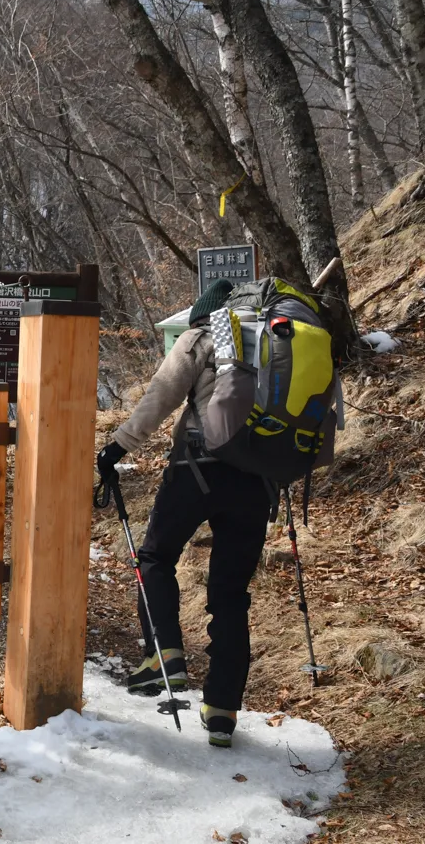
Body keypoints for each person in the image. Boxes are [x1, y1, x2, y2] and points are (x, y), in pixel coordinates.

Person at [95, 278, 270, 749]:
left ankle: (164, 652)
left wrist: (118, 447)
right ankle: (222, 713)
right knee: (231, 597)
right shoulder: (272, 343)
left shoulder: (201, 337)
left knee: (155, 557)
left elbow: (162, 395)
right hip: (256, 480)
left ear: (204, 314)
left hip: (198, 468)